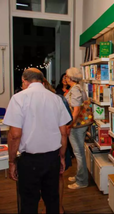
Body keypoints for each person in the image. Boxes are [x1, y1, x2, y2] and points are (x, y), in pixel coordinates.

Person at [3, 68, 71, 213]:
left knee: (28, 202)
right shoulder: (56, 98)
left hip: (29, 161)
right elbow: (63, 132)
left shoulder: (18, 98)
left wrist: (12, 161)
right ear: (41, 80)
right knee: (52, 200)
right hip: (52, 158)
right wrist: (63, 157)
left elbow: (14, 135)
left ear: (24, 81)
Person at [43, 78, 72, 214]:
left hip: (59, 143)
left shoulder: (59, 99)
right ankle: (53, 207)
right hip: (55, 143)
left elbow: (66, 125)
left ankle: (58, 206)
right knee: (54, 177)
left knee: (58, 176)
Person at [65, 67, 89, 189]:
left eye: (66, 76)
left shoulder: (74, 90)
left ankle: (82, 181)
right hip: (80, 124)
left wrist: (70, 124)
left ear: (69, 78)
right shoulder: (79, 88)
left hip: (76, 125)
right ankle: (80, 175)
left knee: (78, 153)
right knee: (79, 152)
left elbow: (76, 110)